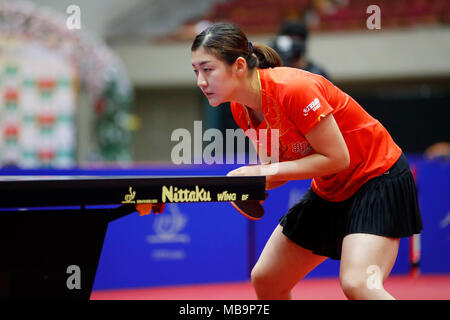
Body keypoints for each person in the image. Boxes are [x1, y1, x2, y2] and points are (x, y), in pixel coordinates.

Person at [190, 22, 423, 300]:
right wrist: (249, 183)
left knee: (359, 284)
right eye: (196, 72)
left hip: (376, 176)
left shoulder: (294, 88)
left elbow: (337, 157)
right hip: (331, 188)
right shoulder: (241, 110)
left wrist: (260, 173)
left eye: (208, 69)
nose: (201, 81)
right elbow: (278, 170)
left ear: (239, 66)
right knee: (267, 280)